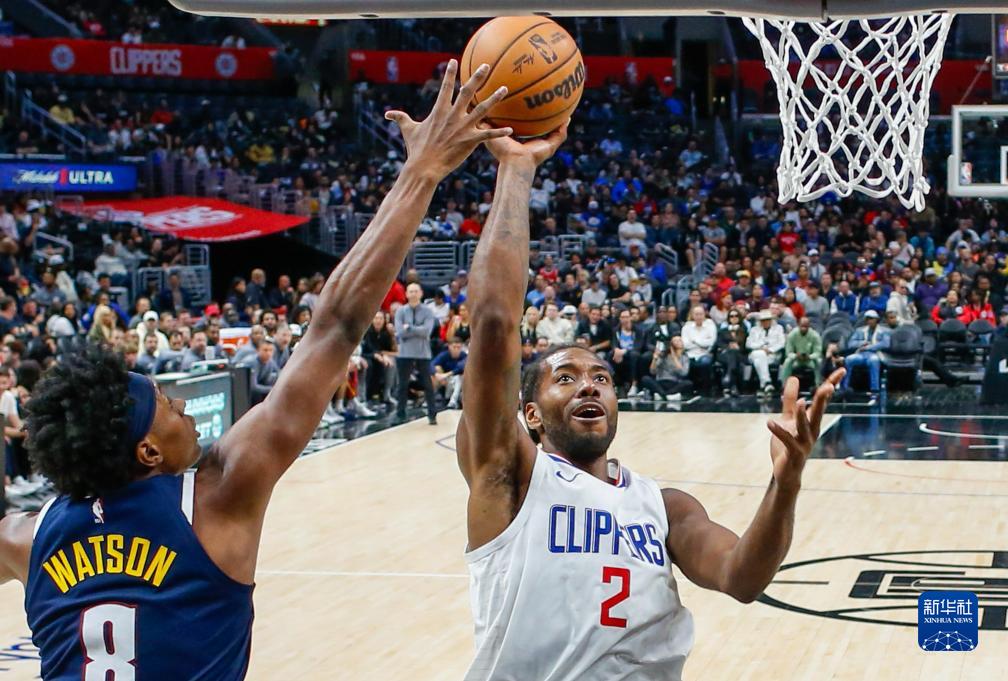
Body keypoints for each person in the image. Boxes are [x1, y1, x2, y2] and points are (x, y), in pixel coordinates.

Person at [0, 59, 512, 679]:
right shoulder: (217, 495)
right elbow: (336, 325)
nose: (182, 405)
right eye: (166, 404)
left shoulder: (30, 535)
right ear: (148, 453)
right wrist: (421, 171)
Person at [456, 122, 845, 680]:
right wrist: (516, 170)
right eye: (566, 377)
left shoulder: (665, 507)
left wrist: (785, 486)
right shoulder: (511, 478)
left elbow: (742, 577)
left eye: (601, 377)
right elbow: (494, 323)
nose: (589, 385)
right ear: (531, 414)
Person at [394, 282, 439, 424]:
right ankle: (400, 414)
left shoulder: (428, 311)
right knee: (402, 384)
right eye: (410, 291)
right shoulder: (400, 311)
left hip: (422, 352)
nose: (413, 294)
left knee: (427, 384)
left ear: (421, 293)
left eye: (415, 291)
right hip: (404, 352)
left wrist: (409, 328)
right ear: (406, 294)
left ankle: (432, 414)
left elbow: (427, 332)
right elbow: (399, 333)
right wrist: (416, 330)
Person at [841, 309, 891, 395]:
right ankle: (844, 387)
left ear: (876, 319)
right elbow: (851, 343)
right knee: (848, 359)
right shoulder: (860, 330)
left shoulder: (884, 331)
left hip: (876, 354)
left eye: (871, 319)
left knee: (874, 361)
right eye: (867, 319)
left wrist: (869, 347)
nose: (869, 321)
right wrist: (862, 343)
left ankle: (874, 389)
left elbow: (885, 344)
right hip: (861, 354)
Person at [746, 310, 786, 395]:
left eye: (767, 320)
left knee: (758, 361)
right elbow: (748, 344)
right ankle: (767, 382)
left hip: (772, 355)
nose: (765, 322)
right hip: (756, 353)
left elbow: (781, 343)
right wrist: (761, 347)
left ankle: (764, 384)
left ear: (771, 320)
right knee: (760, 354)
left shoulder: (779, 328)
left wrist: (770, 350)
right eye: (763, 320)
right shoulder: (754, 330)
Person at [640, 335, 692, 400]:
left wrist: (674, 357)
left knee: (688, 383)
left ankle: (663, 394)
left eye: (680, 340)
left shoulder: (684, 357)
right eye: (676, 341)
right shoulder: (663, 355)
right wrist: (655, 359)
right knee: (645, 379)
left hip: (674, 383)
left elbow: (683, 373)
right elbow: (652, 371)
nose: (678, 342)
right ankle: (667, 395)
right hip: (660, 382)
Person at [715, 308, 748, 396]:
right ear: (728, 318)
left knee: (734, 354)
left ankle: (729, 382)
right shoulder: (722, 331)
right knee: (732, 353)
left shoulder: (744, 331)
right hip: (724, 354)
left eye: (736, 316)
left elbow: (746, 346)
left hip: (739, 354)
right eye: (731, 316)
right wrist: (728, 346)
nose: (734, 318)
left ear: (739, 318)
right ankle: (732, 384)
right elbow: (718, 343)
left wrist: (738, 347)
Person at [780, 317, 823, 384]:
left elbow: (818, 353)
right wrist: (796, 356)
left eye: (805, 326)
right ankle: (784, 384)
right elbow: (788, 352)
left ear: (809, 326)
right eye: (802, 326)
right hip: (796, 360)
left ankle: (818, 383)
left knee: (819, 361)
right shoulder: (792, 335)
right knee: (787, 361)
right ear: (798, 325)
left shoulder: (815, 336)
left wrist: (810, 356)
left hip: (810, 360)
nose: (803, 328)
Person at [431, 337, 467, 409]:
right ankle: (433, 396)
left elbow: (461, 367)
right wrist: (437, 374)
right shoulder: (444, 355)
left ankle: (452, 401)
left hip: (459, 382)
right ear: (449, 347)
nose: (456, 349)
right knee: (436, 368)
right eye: (454, 347)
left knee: (459, 377)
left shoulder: (464, 356)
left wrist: (447, 375)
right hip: (446, 381)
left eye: (459, 347)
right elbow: (431, 365)